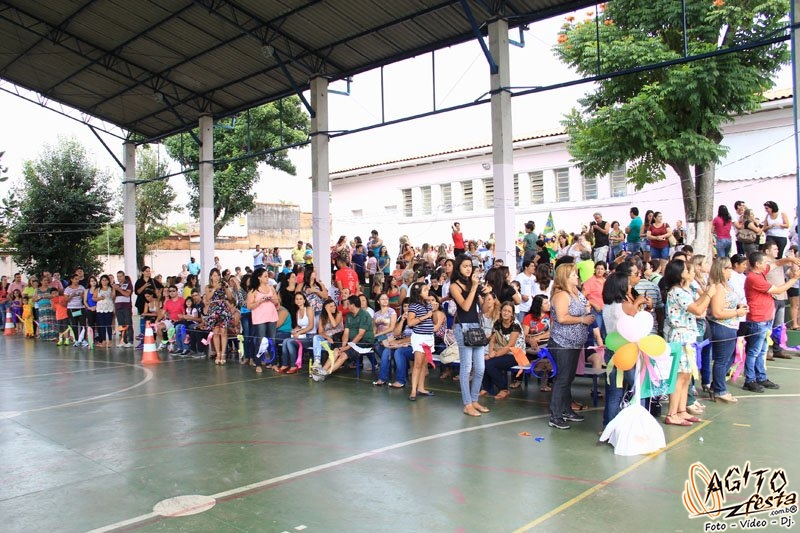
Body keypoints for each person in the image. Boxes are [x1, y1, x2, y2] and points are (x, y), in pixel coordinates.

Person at [663, 260, 714, 426]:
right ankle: (672, 413)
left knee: (686, 375)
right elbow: (698, 309)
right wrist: (709, 295)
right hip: (680, 336)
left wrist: (705, 294)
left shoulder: (684, 291)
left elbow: (697, 306)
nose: (689, 272)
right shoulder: (677, 292)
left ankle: (681, 410)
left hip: (688, 335)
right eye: (686, 270)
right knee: (679, 376)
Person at [547, 263, 593, 430]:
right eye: (573, 274)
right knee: (563, 378)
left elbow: (584, 306)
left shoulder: (575, 292)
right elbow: (562, 318)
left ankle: (566, 409)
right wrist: (582, 319)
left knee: (568, 377)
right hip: (563, 343)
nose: (577, 277)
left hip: (574, 343)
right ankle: (555, 415)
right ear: (565, 277)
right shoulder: (561, 295)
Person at [450, 254, 490, 417]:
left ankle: (474, 400)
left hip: (476, 326)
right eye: (465, 266)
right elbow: (465, 307)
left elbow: (484, 310)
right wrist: (474, 287)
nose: (468, 269)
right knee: (466, 368)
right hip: (462, 327)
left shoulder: (474, 284)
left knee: (480, 368)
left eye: (470, 266)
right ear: (458, 268)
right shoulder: (454, 286)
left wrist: (487, 296)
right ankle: (467, 403)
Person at [708, 257, 747, 403]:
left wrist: (738, 307)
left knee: (728, 358)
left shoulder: (726, 285)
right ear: (722, 270)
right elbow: (717, 312)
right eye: (729, 268)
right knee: (722, 360)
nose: (731, 270)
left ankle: (717, 386)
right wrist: (737, 312)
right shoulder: (719, 287)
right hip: (722, 327)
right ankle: (719, 390)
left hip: (730, 326)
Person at [481, 301, 524, 399]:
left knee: (490, 364)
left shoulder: (515, 325)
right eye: (504, 310)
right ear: (501, 311)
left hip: (516, 354)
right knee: (485, 361)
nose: (506, 313)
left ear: (512, 314)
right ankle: (486, 388)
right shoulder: (498, 323)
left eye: (509, 311)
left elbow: (510, 346)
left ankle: (503, 388)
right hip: (502, 353)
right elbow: (492, 341)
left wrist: (494, 355)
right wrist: (491, 352)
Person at [406, 282, 436, 401]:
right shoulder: (413, 306)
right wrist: (425, 316)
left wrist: (433, 310)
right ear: (418, 293)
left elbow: (433, 319)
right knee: (418, 363)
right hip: (419, 337)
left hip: (429, 337)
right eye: (425, 290)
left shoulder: (428, 304)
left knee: (424, 364)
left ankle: (421, 388)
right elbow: (410, 323)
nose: (427, 292)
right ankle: (413, 390)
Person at [247, 268, 279, 373]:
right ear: (259, 278)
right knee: (260, 340)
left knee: (272, 340)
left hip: (271, 316)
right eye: (265, 276)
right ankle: (258, 363)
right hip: (260, 318)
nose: (267, 278)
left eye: (267, 276)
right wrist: (260, 301)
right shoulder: (253, 291)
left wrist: (271, 299)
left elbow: (277, 302)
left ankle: (273, 363)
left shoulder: (271, 288)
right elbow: (249, 306)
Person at [279, 293, 316, 374]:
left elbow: (311, 326)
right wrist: (294, 330)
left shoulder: (309, 309)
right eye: (297, 299)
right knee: (285, 341)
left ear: (304, 300)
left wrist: (299, 332)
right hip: (302, 336)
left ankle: (294, 365)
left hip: (310, 337)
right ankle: (285, 364)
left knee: (290, 342)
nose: (298, 301)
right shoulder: (298, 312)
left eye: (300, 299)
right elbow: (299, 326)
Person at [94, 275, 115, 348]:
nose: (104, 281)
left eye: (106, 280)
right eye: (103, 280)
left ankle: (110, 340)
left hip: (109, 308)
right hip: (100, 309)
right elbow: (94, 298)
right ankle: (103, 340)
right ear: (100, 281)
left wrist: (114, 289)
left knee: (108, 325)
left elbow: (113, 297)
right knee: (102, 325)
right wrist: (100, 298)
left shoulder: (110, 288)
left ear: (108, 281)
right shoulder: (98, 289)